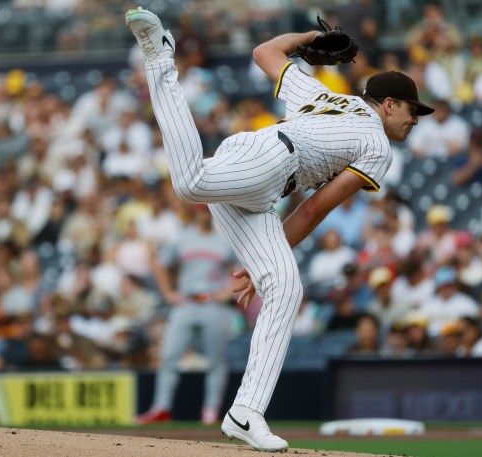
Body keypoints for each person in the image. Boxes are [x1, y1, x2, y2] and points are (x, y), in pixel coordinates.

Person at [124, 7, 434, 452]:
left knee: (285, 287)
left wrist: (307, 39)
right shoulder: (377, 145)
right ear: (388, 104)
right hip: (269, 160)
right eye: (411, 109)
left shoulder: (322, 93)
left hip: (260, 184)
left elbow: (264, 51)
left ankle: (245, 413)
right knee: (190, 183)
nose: (415, 118)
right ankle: (160, 57)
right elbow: (313, 211)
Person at [136, 204, 237, 426]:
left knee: (216, 360)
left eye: (207, 210)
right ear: (194, 212)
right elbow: (160, 265)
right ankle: (162, 408)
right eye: (201, 210)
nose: (204, 214)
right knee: (169, 356)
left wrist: (227, 292)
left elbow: (242, 269)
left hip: (213, 303)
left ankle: (210, 411)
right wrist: (168, 293)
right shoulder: (182, 238)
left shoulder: (224, 239)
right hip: (187, 302)